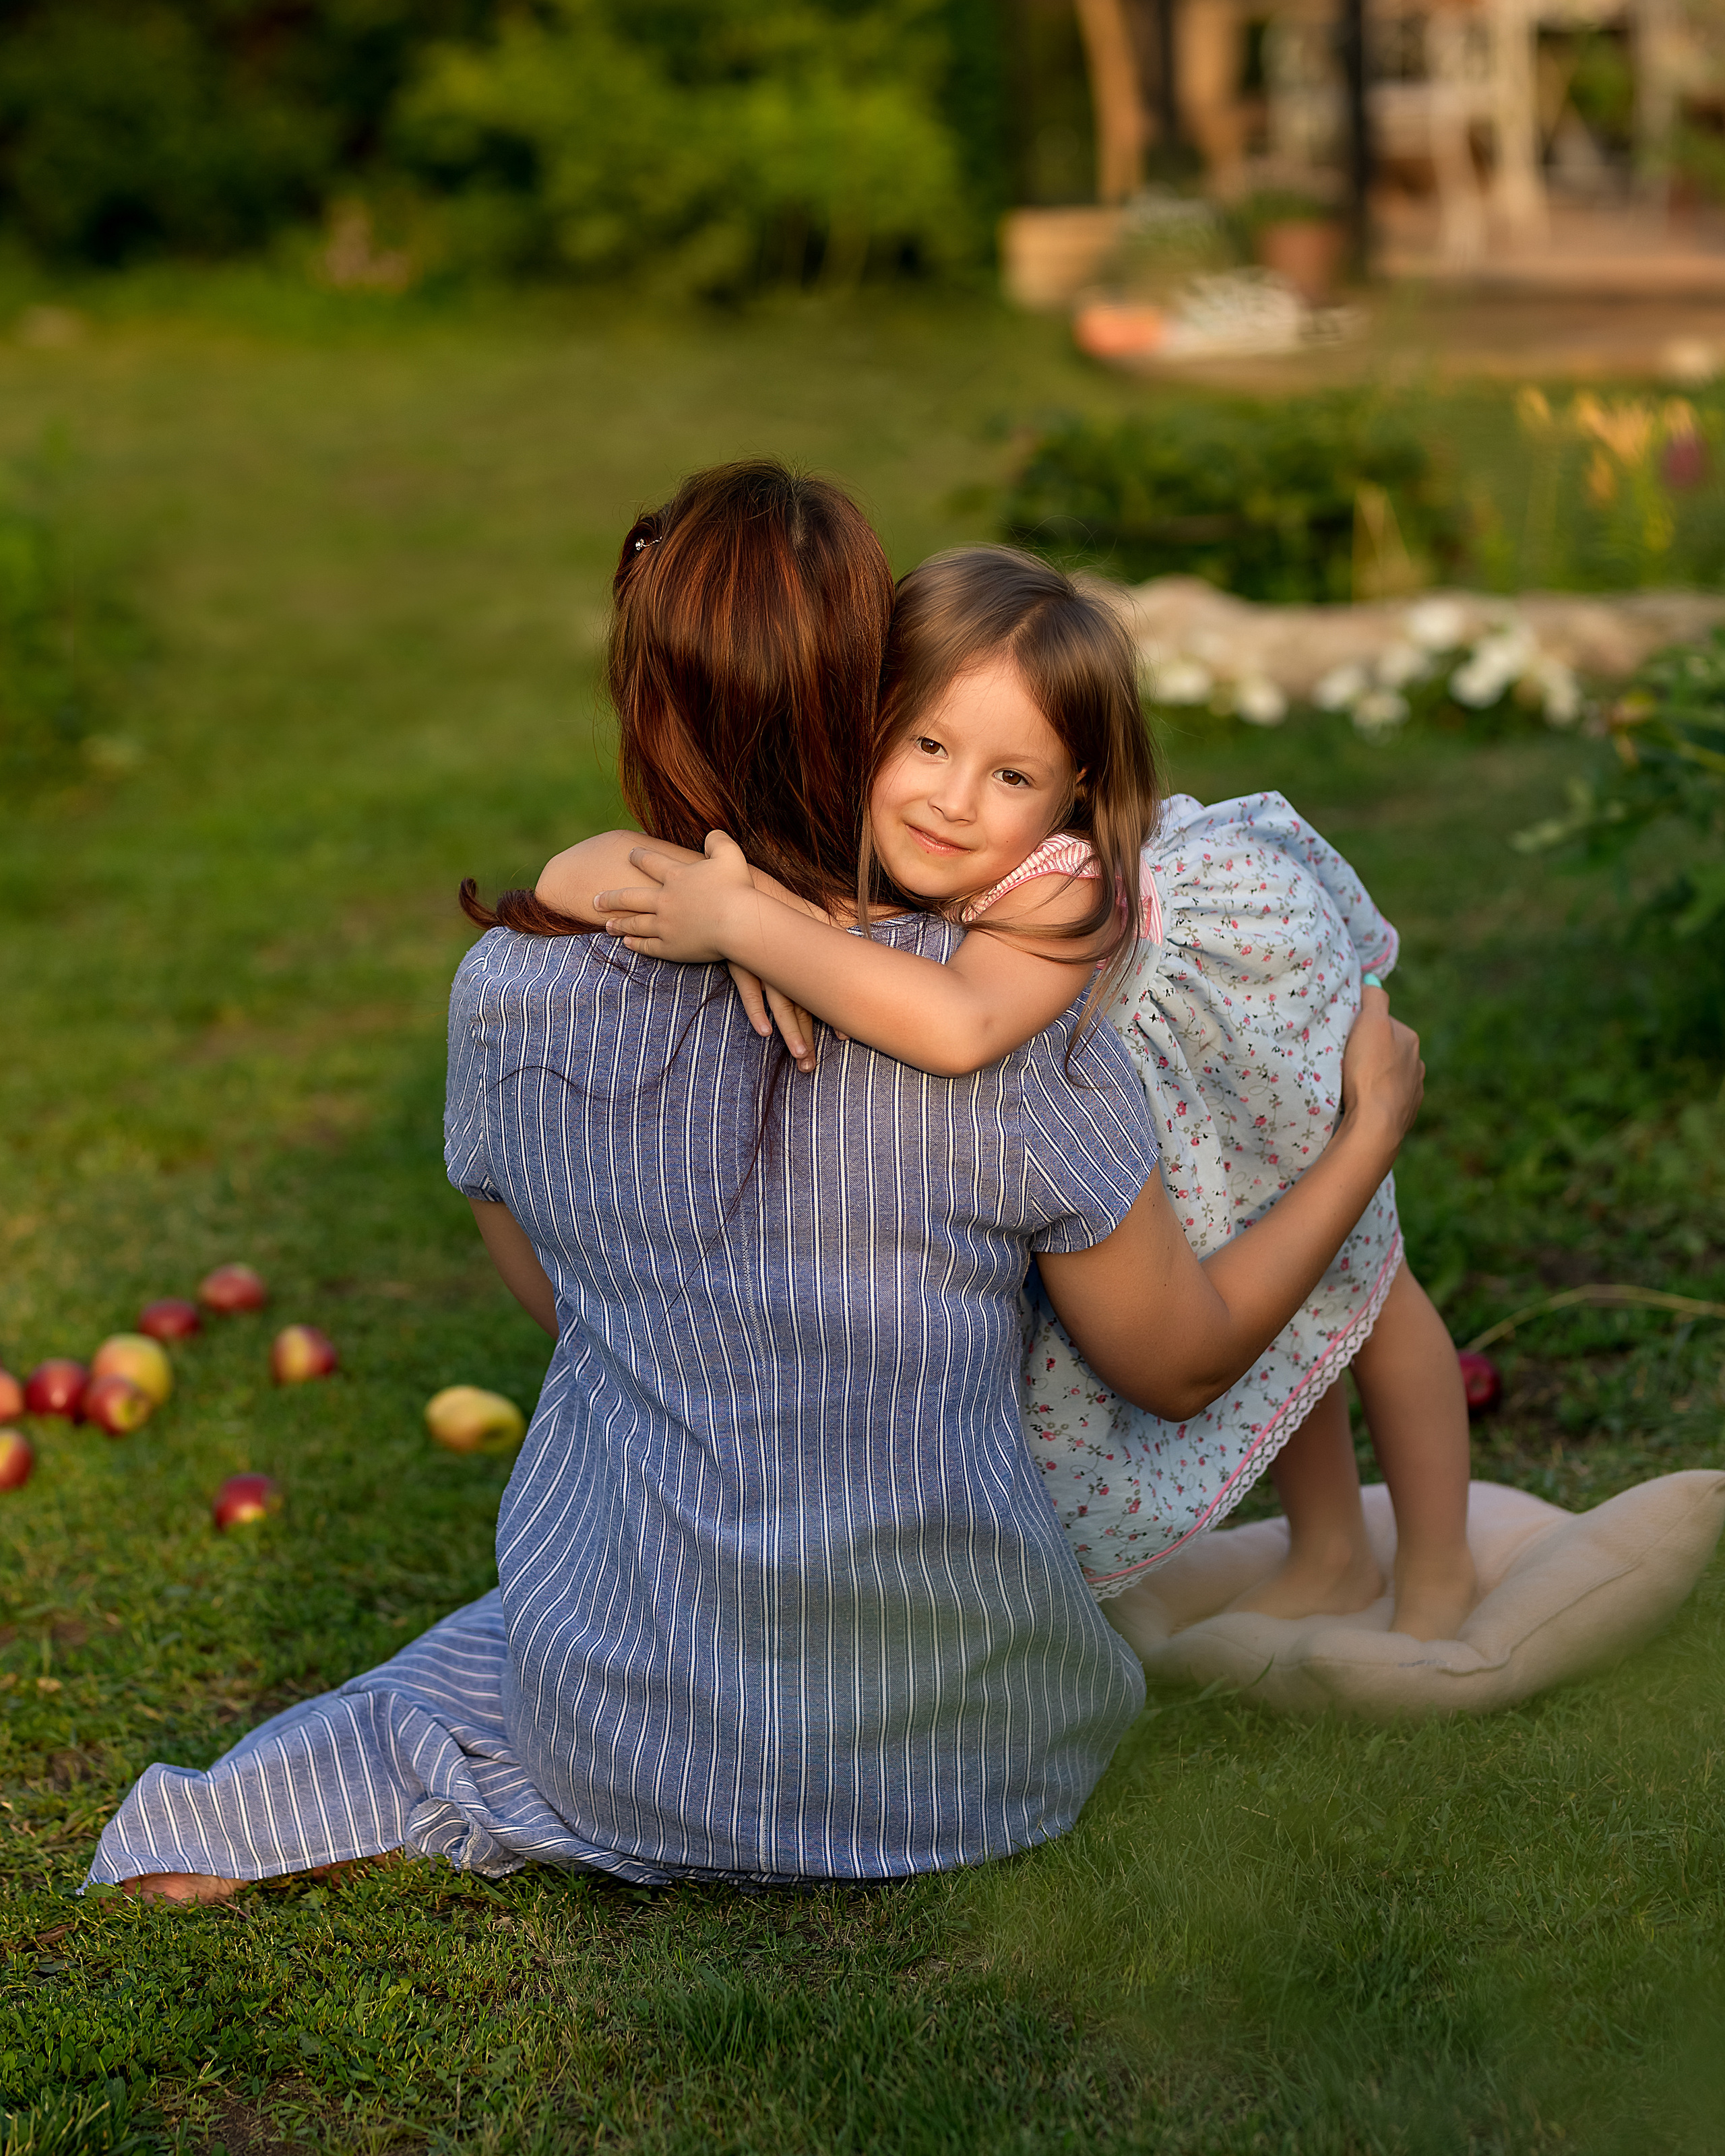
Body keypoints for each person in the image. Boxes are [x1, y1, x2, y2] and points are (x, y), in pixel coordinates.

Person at [92, 467, 1422, 1904]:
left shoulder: (507, 998)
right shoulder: (1018, 1037)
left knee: (463, 1675)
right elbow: (1176, 1366)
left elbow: (567, 1315)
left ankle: (213, 1833)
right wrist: (1362, 1135)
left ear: (638, 692)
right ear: (861, 702)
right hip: (974, 1756)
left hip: (633, 1739)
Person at [548, 544, 1475, 1642]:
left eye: (1012, 777)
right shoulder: (869, 819)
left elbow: (960, 1026)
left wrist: (747, 923)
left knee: (1355, 1273)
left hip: (1245, 1015)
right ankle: (1329, 1552)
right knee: (1254, 1252)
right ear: (875, 722)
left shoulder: (1065, 886)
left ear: (1076, 790)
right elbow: (572, 874)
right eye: (928, 743)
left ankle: (1442, 1570)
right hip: (1141, 1074)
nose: (952, 802)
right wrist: (727, 904)